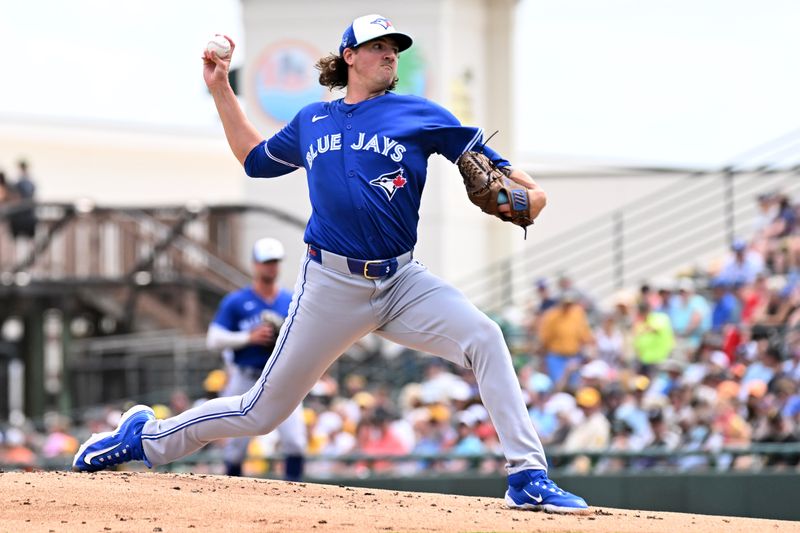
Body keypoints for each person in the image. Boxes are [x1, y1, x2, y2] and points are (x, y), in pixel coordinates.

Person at [72, 14, 589, 514]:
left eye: (395, 49)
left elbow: (487, 161)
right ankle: (145, 438)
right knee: (261, 413)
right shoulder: (311, 120)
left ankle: (527, 476)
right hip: (330, 284)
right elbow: (254, 160)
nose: (391, 54)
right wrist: (221, 89)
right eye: (379, 47)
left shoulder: (419, 113)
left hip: (402, 280)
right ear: (350, 56)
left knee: (485, 337)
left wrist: (533, 191)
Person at [205, 237, 306, 480]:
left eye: (274, 262)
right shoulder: (237, 301)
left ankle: (296, 499)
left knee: (295, 442)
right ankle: (232, 499)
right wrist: (247, 338)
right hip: (246, 377)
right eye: (266, 262)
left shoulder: (291, 300)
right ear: (254, 265)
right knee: (236, 447)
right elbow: (213, 339)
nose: (271, 267)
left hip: (283, 377)